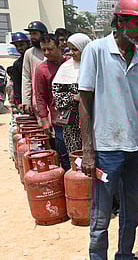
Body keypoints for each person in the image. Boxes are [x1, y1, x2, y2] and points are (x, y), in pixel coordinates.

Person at [78, 0, 138, 259]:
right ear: (121, 21)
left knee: (132, 210)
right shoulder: (97, 51)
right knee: (101, 216)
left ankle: (125, 254)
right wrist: (88, 150)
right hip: (106, 149)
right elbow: (85, 101)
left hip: (133, 148)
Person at [33, 33, 70, 170]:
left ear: (59, 46)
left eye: (50, 49)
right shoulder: (42, 70)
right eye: (44, 50)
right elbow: (40, 96)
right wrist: (44, 119)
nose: (47, 53)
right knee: (64, 152)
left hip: (78, 116)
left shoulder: (71, 63)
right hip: (58, 119)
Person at [52, 33, 91, 155]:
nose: (72, 53)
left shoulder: (95, 66)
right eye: (70, 49)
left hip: (94, 121)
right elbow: (57, 97)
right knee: (77, 158)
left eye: (75, 49)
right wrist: (74, 97)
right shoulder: (65, 68)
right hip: (72, 124)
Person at [22, 21, 48, 115]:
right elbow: (26, 78)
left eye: (35, 34)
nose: (32, 37)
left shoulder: (53, 50)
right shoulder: (29, 53)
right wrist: (26, 101)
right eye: (31, 34)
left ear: (43, 34)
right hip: (37, 100)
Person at [8, 32, 31, 110]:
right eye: (17, 46)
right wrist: (19, 102)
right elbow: (17, 85)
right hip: (27, 98)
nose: (19, 48)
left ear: (27, 44)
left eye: (21, 45)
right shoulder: (17, 64)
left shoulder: (37, 57)